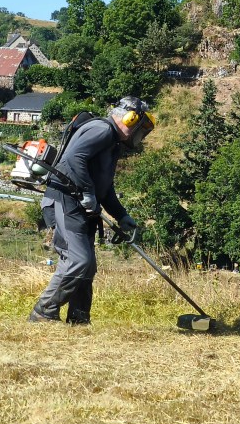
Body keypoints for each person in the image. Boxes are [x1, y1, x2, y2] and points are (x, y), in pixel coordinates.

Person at [28, 96, 156, 325]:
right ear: (130, 118)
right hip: (66, 201)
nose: (140, 135)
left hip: (81, 207)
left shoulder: (112, 142)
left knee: (87, 267)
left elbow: (105, 187)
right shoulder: (102, 130)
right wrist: (88, 192)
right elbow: (74, 159)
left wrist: (121, 215)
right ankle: (43, 312)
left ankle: (79, 320)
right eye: (140, 127)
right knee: (79, 260)